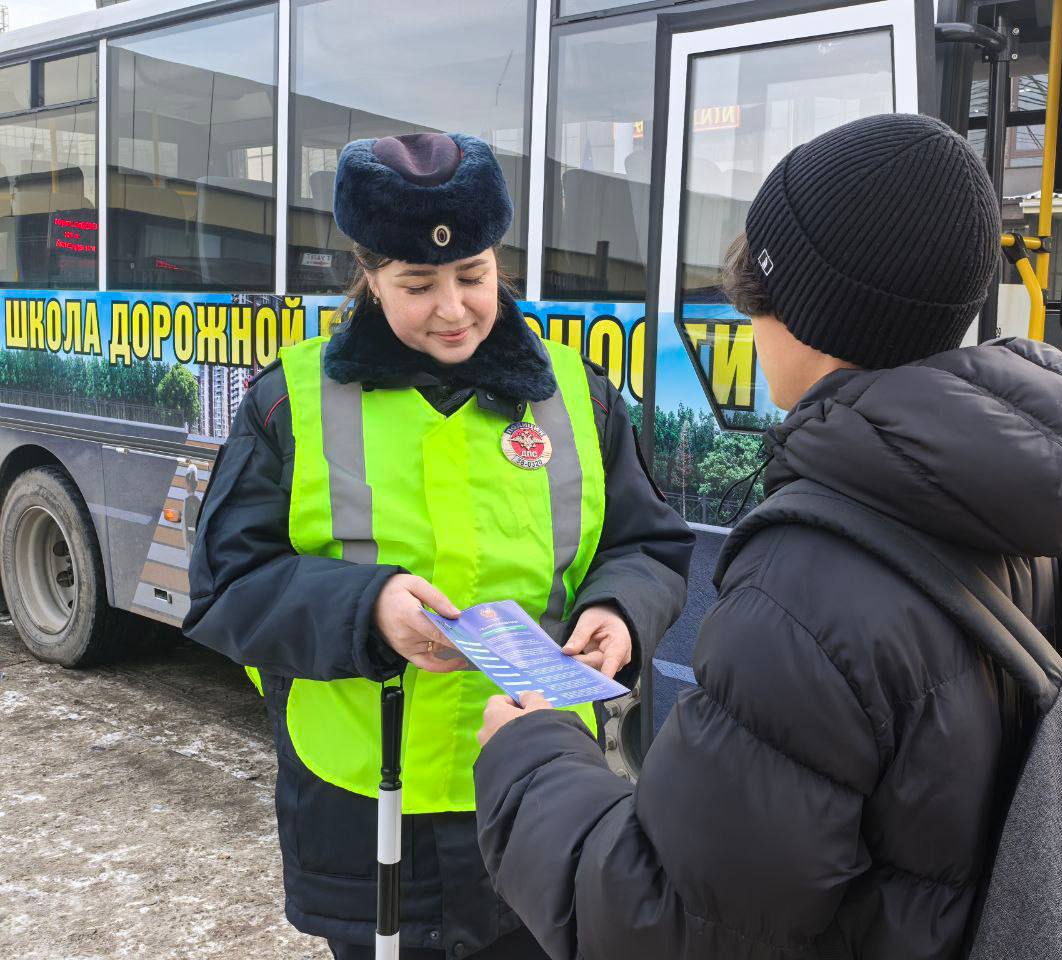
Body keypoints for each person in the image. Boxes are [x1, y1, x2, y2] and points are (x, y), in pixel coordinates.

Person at [472, 114, 1062, 959]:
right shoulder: (1042, 508)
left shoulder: (808, 591)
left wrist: (530, 762)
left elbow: (667, 923)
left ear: (802, 314)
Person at [183, 131, 693, 960]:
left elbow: (647, 545)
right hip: (370, 813)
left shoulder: (578, 394)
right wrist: (368, 608)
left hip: (542, 790)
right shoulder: (291, 402)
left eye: (475, 277)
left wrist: (620, 610)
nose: (453, 308)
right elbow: (226, 587)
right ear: (370, 276)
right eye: (417, 284)